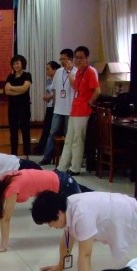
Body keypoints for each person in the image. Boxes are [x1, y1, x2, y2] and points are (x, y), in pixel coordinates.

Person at [0, 169, 84, 253]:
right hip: (59, 179)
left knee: (82, 215)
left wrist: (3, 246)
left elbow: (6, 219)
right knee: (87, 200)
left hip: (63, 184)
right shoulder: (2, 182)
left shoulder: (11, 189)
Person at [55, 46, 100, 176]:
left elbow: (97, 91)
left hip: (83, 111)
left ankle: (75, 168)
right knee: (69, 139)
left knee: (77, 140)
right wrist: (69, 71)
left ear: (87, 58)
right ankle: (62, 166)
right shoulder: (79, 72)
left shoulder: (90, 71)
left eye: (81, 58)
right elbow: (74, 85)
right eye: (76, 57)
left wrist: (89, 103)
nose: (78, 60)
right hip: (74, 109)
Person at [40, 50, 73, 166]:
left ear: (70, 59)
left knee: (68, 135)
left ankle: (66, 159)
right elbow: (54, 90)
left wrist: (69, 71)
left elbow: (75, 86)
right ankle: (47, 158)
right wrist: (54, 103)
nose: (62, 61)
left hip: (70, 109)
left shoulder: (75, 71)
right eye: (61, 59)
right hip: (58, 109)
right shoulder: (58, 72)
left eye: (64, 59)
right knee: (52, 133)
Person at [4, 54, 33, 157]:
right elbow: (7, 91)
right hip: (12, 107)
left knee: (25, 130)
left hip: (24, 107)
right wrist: (19, 91)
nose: (16, 65)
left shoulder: (27, 75)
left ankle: (26, 154)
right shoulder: (10, 76)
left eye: (17, 63)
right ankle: (14, 154)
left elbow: (24, 88)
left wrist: (13, 88)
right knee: (13, 131)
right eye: (14, 64)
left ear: (22, 64)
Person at [35, 61, 59, 157]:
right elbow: (48, 94)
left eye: (48, 69)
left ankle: (50, 151)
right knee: (46, 128)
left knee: (51, 130)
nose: (46, 71)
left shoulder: (58, 80)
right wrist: (47, 97)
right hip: (49, 106)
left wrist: (50, 97)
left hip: (55, 107)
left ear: (55, 70)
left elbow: (57, 94)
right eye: (46, 69)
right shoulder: (49, 81)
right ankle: (42, 149)